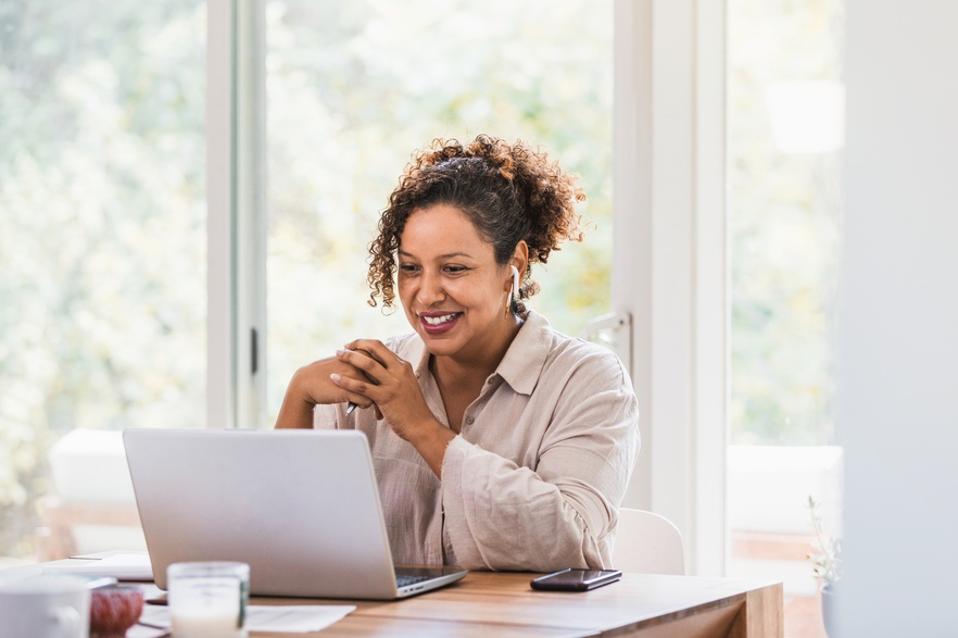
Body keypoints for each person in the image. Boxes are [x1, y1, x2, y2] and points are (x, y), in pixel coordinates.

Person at [276, 135, 639, 571]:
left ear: (513, 267)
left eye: (454, 269)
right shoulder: (363, 380)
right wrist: (299, 395)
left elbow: (568, 542)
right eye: (411, 268)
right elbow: (279, 544)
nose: (427, 294)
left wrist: (421, 428)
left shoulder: (588, 381)